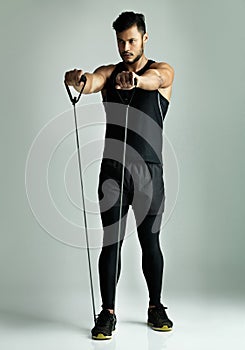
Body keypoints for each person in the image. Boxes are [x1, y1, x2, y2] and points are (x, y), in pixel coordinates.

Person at [64, 11, 174, 340]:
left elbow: (156, 80)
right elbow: (94, 81)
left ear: (144, 38)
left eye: (131, 40)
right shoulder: (109, 74)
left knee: (149, 242)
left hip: (149, 174)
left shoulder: (161, 71)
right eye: (121, 41)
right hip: (112, 174)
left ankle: (155, 306)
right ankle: (107, 313)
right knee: (110, 242)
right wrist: (80, 81)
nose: (126, 46)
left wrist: (138, 81)